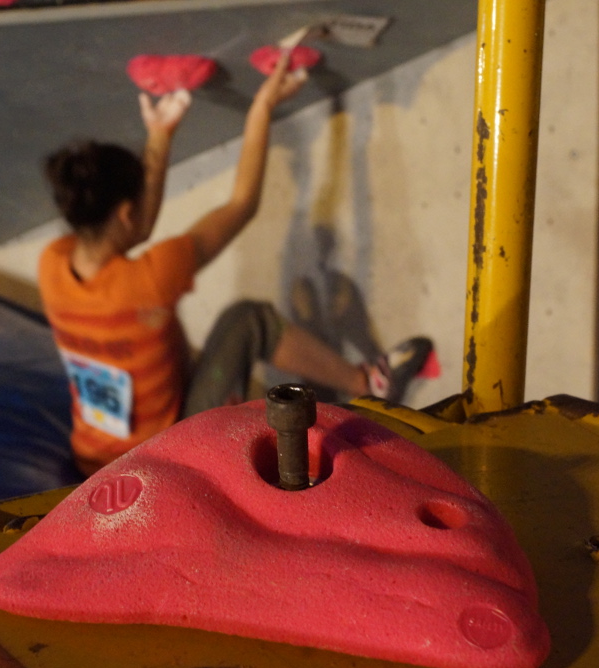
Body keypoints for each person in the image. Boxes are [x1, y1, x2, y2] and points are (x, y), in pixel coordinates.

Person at [39, 50, 432, 475]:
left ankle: (363, 382)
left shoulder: (53, 263)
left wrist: (160, 134)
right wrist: (263, 106)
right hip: (160, 465)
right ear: (124, 213)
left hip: (94, 465)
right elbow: (242, 204)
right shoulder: (151, 279)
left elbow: (139, 225)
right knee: (249, 321)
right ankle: (368, 384)